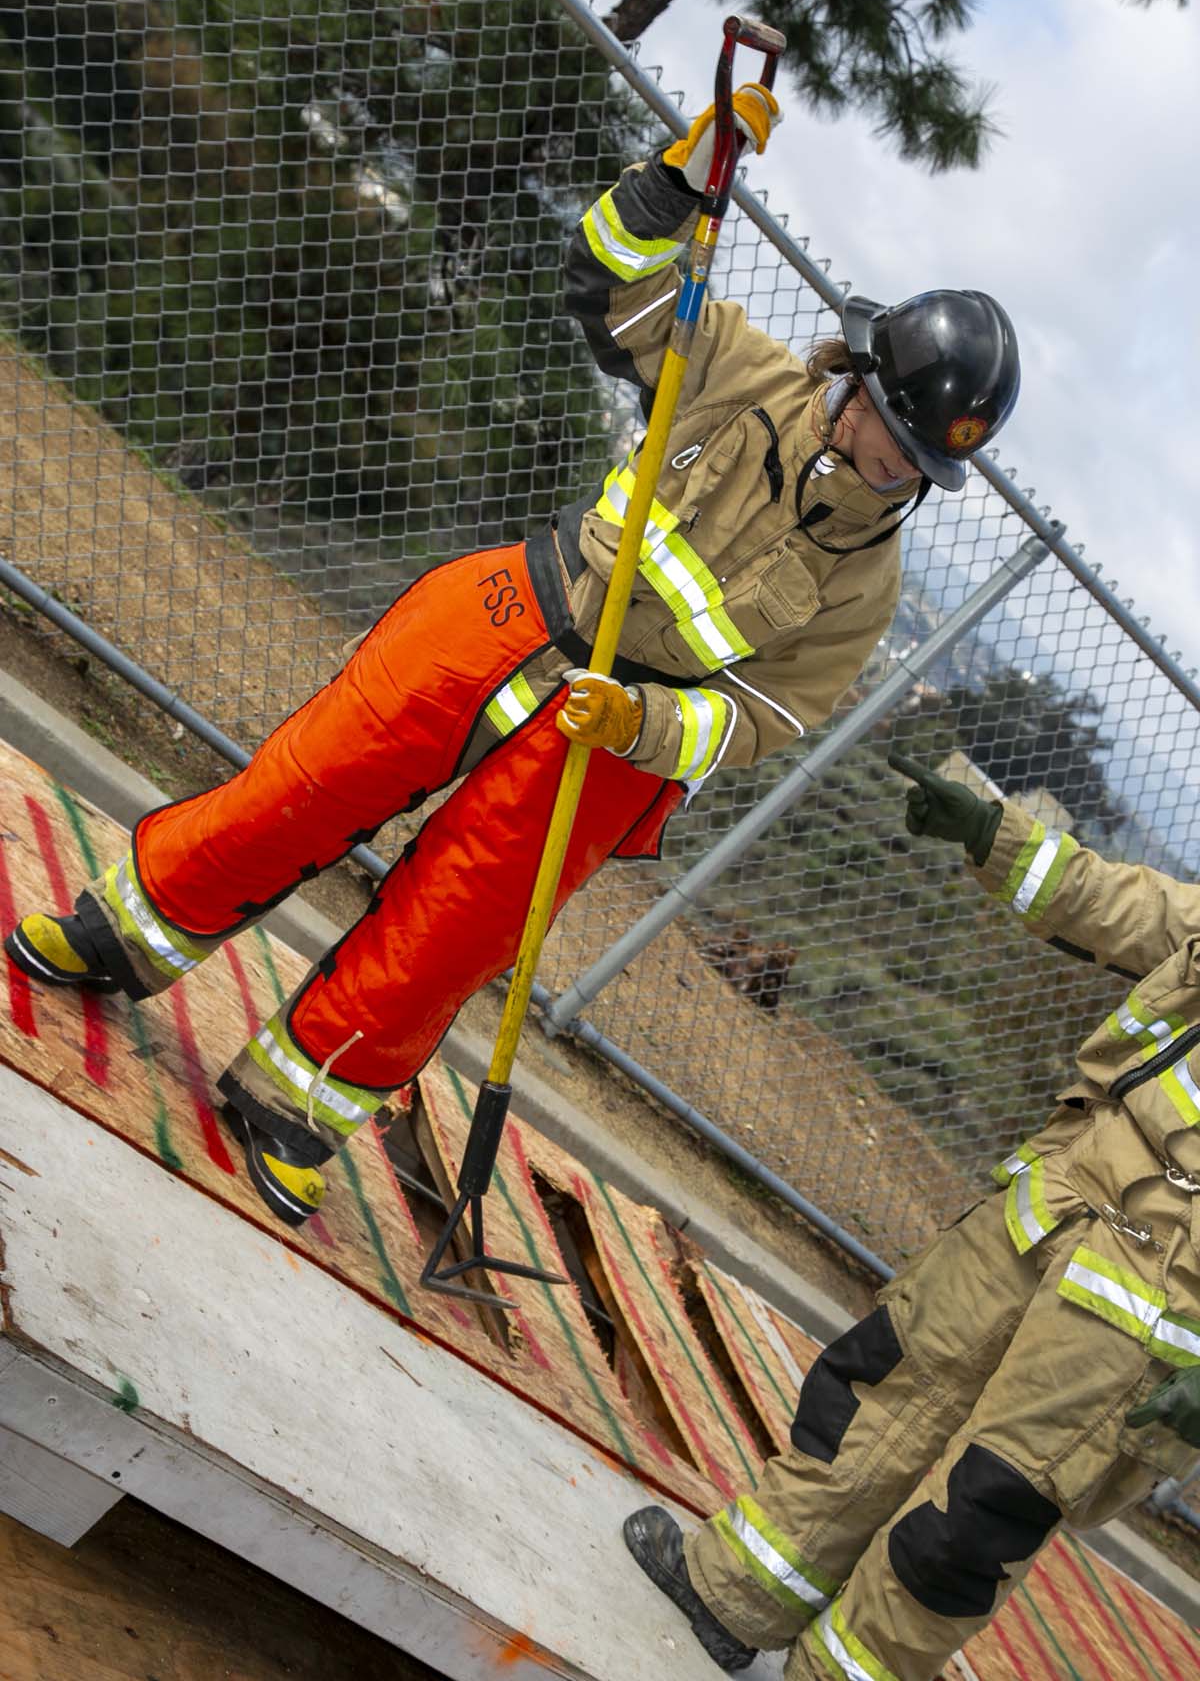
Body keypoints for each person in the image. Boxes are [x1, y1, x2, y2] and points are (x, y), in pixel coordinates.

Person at [3, 91, 1019, 1230]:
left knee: (453, 928)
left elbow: (763, 716)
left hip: (614, 735)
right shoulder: (733, 364)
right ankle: (116, 935)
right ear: (864, 381)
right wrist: (677, 181)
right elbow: (607, 280)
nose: (899, 472)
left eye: (920, 469)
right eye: (897, 439)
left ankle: (294, 1103)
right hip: (521, 609)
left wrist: (643, 729)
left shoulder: (867, 586)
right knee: (312, 779)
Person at [623, 755, 1200, 1681]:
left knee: (979, 1514)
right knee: (884, 1383)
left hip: (1159, 1304)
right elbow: (1121, 902)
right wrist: (990, 834)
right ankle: (736, 1591)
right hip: (1059, 1200)